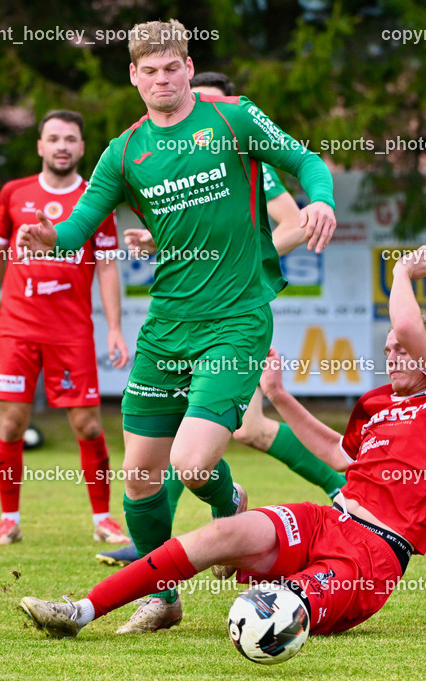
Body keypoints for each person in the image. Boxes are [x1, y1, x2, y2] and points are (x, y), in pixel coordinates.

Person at [16, 19, 336, 633]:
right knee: (137, 478)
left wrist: (319, 198)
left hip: (235, 323)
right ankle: (162, 598)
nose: (161, 80)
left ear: (188, 68)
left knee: (192, 465)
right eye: (149, 71)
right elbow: (80, 227)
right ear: (133, 77)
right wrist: (48, 236)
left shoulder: (232, 119)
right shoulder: (125, 149)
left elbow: (305, 161)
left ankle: (228, 505)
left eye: (171, 68)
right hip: (166, 328)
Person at [20, 244, 426, 640]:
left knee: (273, 614)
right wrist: (279, 395)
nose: (392, 355)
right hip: (330, 522)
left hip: (375, 555)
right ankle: (81, 611)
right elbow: (339, 454)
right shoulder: (378, 402)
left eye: (401, 349)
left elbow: (408, 323)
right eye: (387, 350)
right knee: (218, 534)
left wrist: (401, 273)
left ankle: (277, 598)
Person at [97, 71, 345, 568]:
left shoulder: (242, 147)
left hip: (235, 311)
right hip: (192, 318)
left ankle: (341, 486)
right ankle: (157, 543)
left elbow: (292, 222)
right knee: (225, 432)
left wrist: (234, 268)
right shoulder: (164, 151)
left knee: (232, 434)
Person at [0, 109, 131, 547]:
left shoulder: (96, 198)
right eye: (53, 138)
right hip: (17, 328)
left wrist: (114, 328)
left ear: (81, 147)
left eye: (70, 139)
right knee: (11, 424)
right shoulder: (13, 194)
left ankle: (103, 519)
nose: (61, 145)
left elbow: (108, 267)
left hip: (72, 330)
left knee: (89, 426)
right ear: (40, 146)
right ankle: (9, 519)